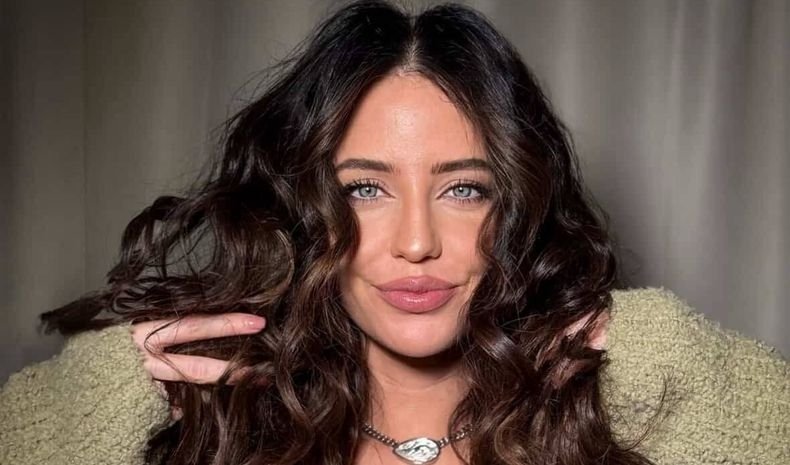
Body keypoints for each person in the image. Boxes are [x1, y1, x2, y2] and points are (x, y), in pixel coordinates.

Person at [1, 1, 788, 465]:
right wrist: (93, 398)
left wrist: (679, 356)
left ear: (516, 204)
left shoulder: (611, 418)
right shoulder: (219, 430)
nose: (417, 242)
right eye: (366, 188)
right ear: (303, 203)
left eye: (464, 188)